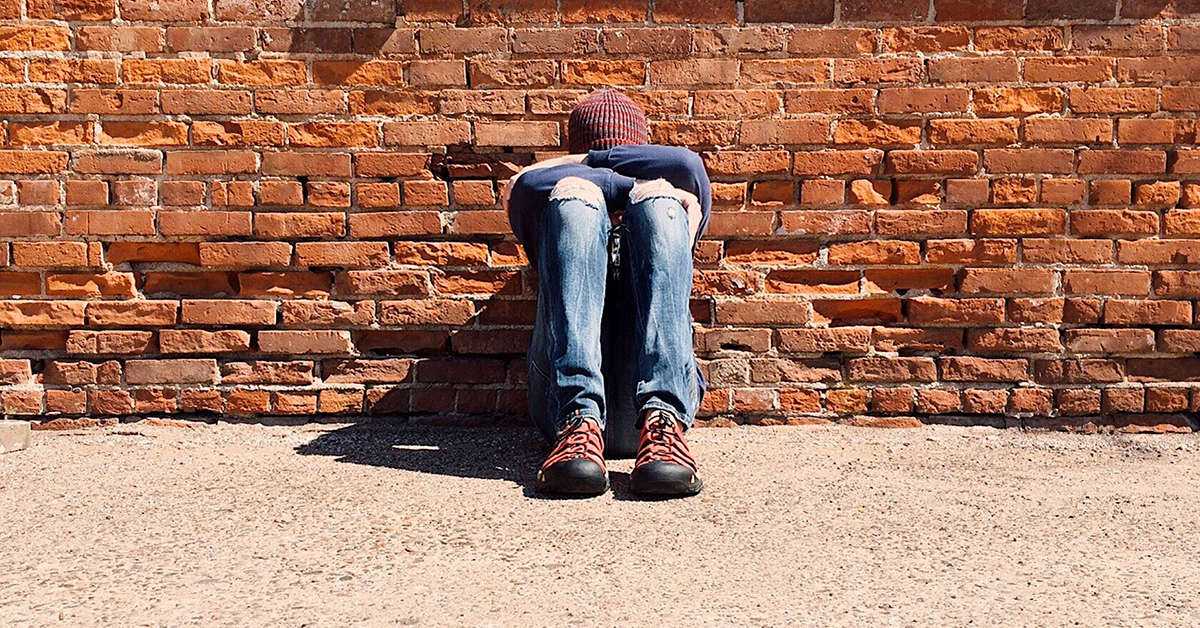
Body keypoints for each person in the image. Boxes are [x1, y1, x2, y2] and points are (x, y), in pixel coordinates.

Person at [502, 89, 713, 498]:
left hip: (665, 415)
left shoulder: (674, 210)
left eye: (622, 152)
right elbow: (527, 185)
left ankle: (663, 418)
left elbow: (686, 164)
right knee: (574, 200)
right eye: (593, 158)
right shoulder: (559, 206)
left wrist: (602, 171)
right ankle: (580, 420)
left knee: (657, 201)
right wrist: (590, 176)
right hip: (561, 414)